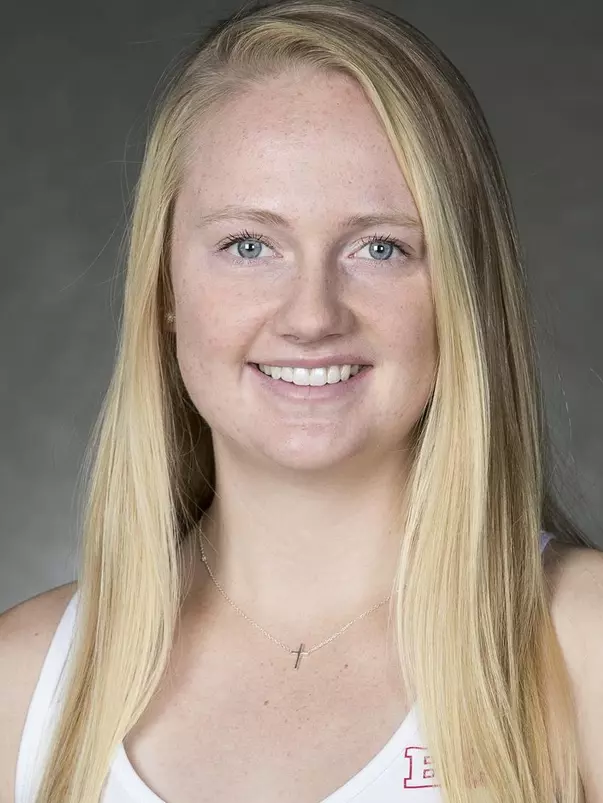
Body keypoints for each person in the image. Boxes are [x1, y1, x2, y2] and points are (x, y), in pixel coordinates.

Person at [1, 0, 602, 801]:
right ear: (166, 289)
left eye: (379, 246)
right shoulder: (22, 687)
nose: (313, 315)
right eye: (249, 245)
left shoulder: (583, 649)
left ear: (463, 290)